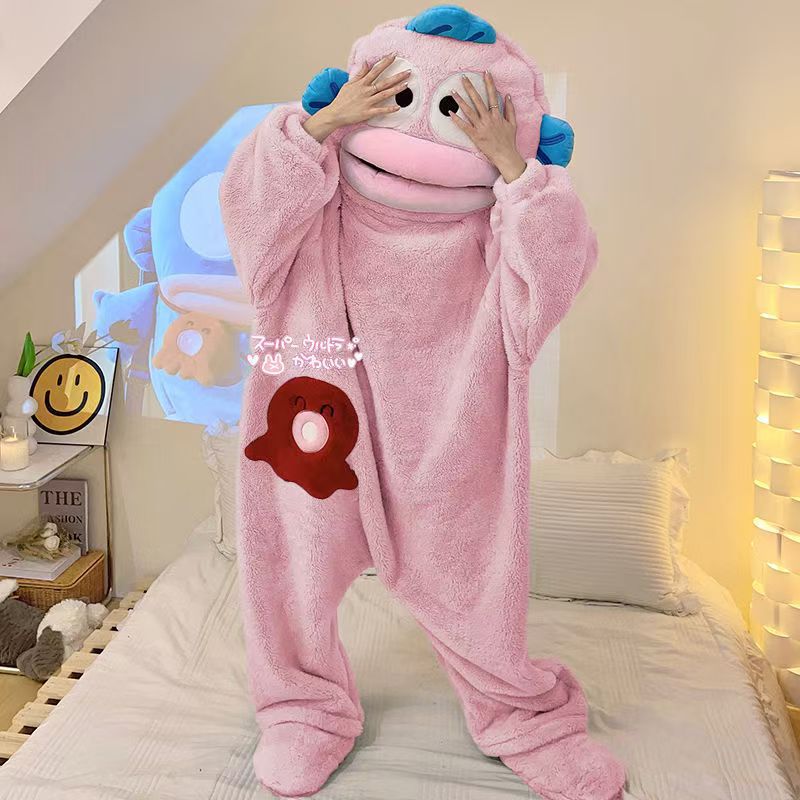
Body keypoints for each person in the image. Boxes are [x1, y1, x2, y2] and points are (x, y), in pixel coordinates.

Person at [221, 7, 624, 799]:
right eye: (400, 101)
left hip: (448, 429)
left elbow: (550, 280)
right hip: (313, 413)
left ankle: (520, 713)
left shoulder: (495, 234)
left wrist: (513, 168)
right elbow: (250, 218)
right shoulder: (312, 207)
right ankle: (302, 708)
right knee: (295, 565)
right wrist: (319, 126)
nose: (416, 142)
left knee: (471, 574)